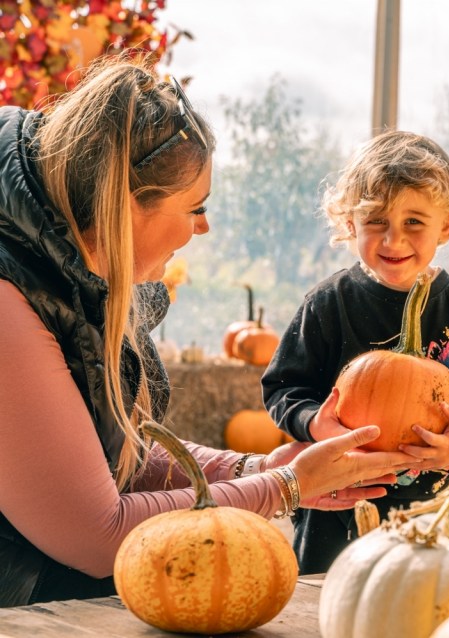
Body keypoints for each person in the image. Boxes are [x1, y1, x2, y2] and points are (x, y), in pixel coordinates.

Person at [0, 58, 417, 607]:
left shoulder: (72, 271)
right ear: (126, 204)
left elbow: (111, 459)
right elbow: (98, 533)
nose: (205, 226)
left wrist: (259, 467)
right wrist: (287, 489)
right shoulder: (9, 301)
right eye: (195, 207)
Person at [261, 130, 449, 574]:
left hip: (433, 513)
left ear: (448, 225)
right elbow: (284, 387)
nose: (393, 241)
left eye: (414, 222)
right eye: (376, 221)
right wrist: (313, 421)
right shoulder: (329, 304)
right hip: (334, 508)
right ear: (349, 224)